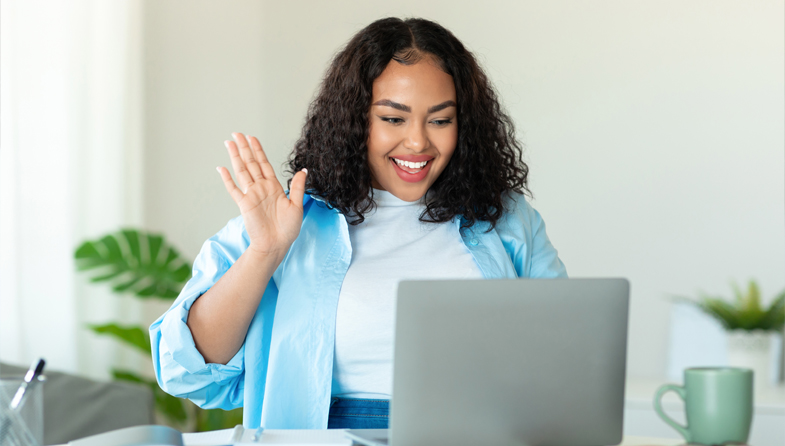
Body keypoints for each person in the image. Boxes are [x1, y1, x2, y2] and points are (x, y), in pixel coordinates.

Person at [150, 17, 567, 430]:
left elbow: (567, 356)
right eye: (393, 118)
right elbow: (186, 372)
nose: (419, 141)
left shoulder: (505, 218)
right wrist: (264, 253)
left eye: (440, 120)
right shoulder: (289, 218)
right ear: (354, 120)